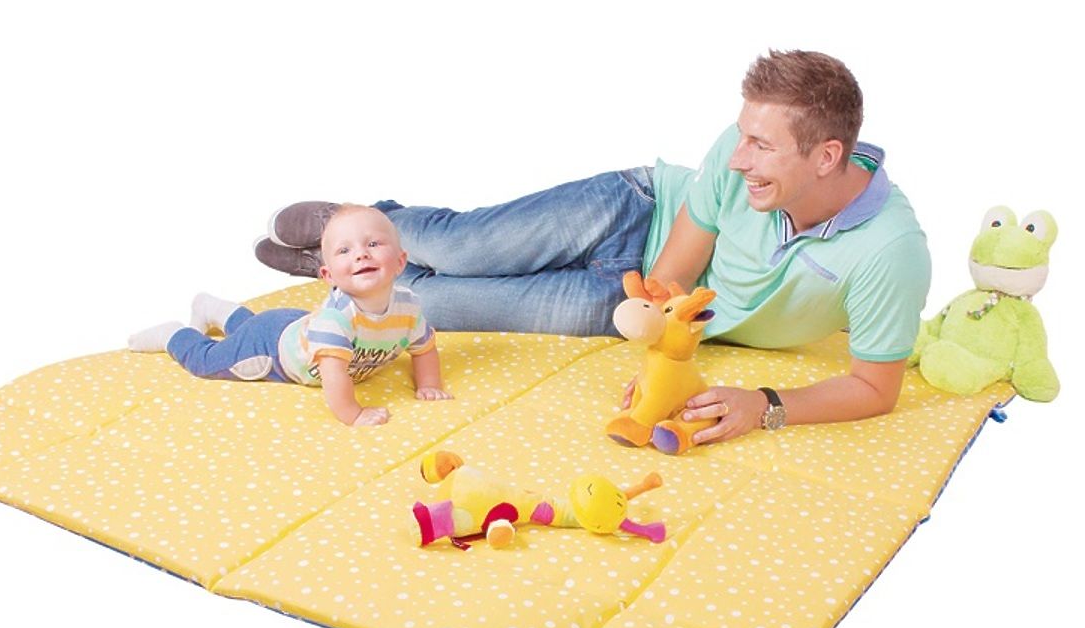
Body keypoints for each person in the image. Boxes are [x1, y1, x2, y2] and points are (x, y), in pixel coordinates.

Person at [255, 50, 931, 445]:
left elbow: (875, 387)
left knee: (428, 306)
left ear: (827, 156)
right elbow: (675, 265)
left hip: (625, 301)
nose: (737, 157)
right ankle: (357, 227)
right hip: (636, 218)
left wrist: (766, 404)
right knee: (464, 246)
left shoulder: (889, 249)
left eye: (761, 145)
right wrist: (657, 329)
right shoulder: (738, 156)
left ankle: (339, 269)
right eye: (742, 135)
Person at [131, 204, 452, 426]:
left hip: (294, 325)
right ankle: (174, 334)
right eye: (345, 250)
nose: (361, 254)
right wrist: (354, 414)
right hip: (273, 351)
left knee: (252, 326)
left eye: (373, 244)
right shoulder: (337, 320)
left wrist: (429, 384)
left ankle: (213, 308)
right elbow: (334, 376)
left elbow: (423, 348)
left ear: (401, 262)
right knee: (208, 361)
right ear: (328, 276)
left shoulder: (408, 307)